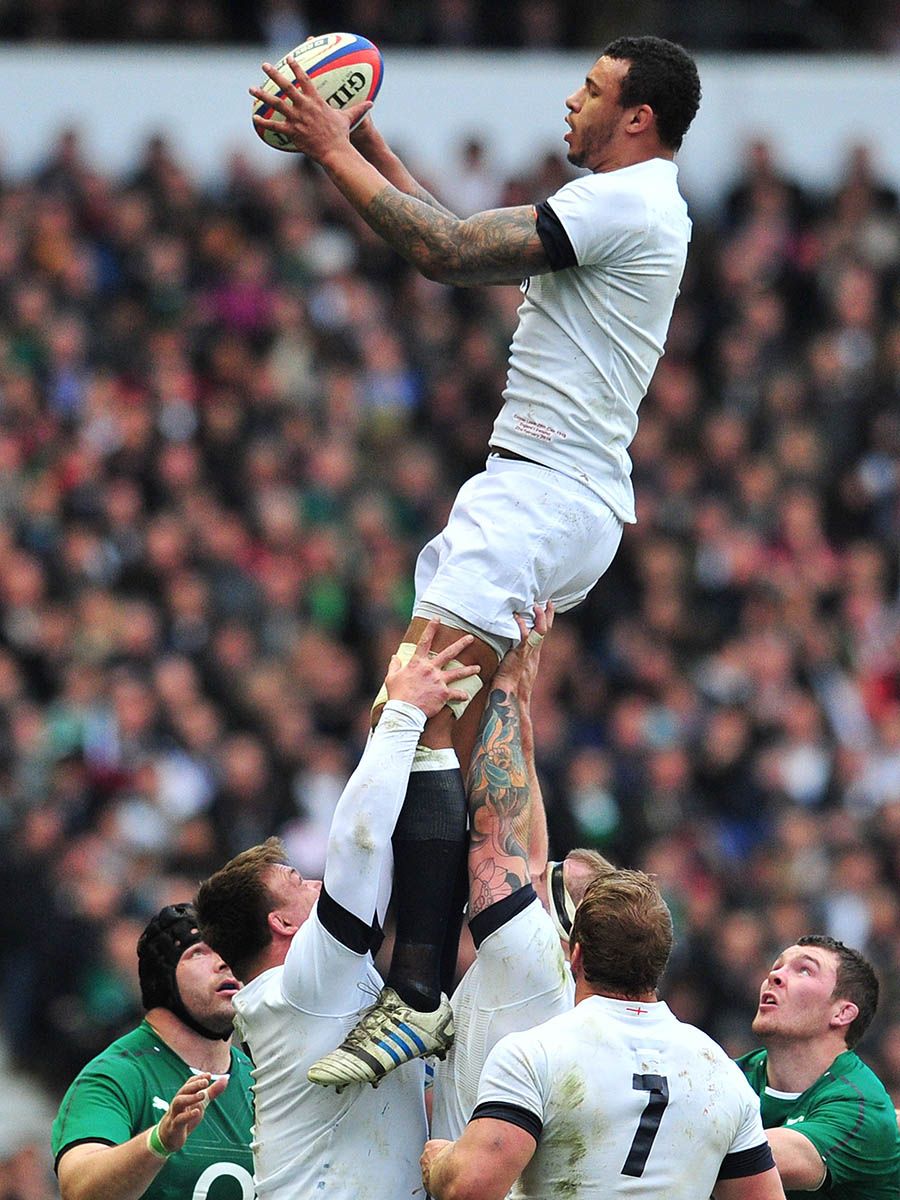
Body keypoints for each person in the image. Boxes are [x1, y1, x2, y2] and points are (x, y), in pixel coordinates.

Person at [252, 33, 703, 1086]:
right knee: (436, 732)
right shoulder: (630, 209)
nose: (571, 102)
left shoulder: (628, 202)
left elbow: (446, 253)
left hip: (539, 497)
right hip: (547, 499)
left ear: (637, 118)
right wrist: (368, 140)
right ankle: (426, 979)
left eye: (591, 91)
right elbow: (454, 241)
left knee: (404, 715)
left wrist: (327, 148)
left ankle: (411, 987)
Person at [192, 624, 479, 1200]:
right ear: (282, 924)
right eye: (299, 881)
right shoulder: (298, 990)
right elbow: (359, 843)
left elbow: (398, 871)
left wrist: (421, 739)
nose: (317, 882)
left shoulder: (318, 988)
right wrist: (400, 715)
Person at [421, 869, 787, 1200]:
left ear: (577, 956)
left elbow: (470, 1187)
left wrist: (440, 1162)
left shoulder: (534, 1054)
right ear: (660, 965)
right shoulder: (721, 1073)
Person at [50, 903, 254, 1200]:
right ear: (163, 978)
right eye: (199, 952)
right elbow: (79, 1189)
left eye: (227, 950)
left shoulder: (260, 1078)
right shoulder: (116, 1075)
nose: (225, 962)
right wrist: (158, 1141)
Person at [738, 936, 900, 1199]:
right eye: (776, 966)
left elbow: (751, 1159)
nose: (774, 976)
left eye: (804, 970)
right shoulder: (727, 1076)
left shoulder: (862, 1106)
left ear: (842, 1013)